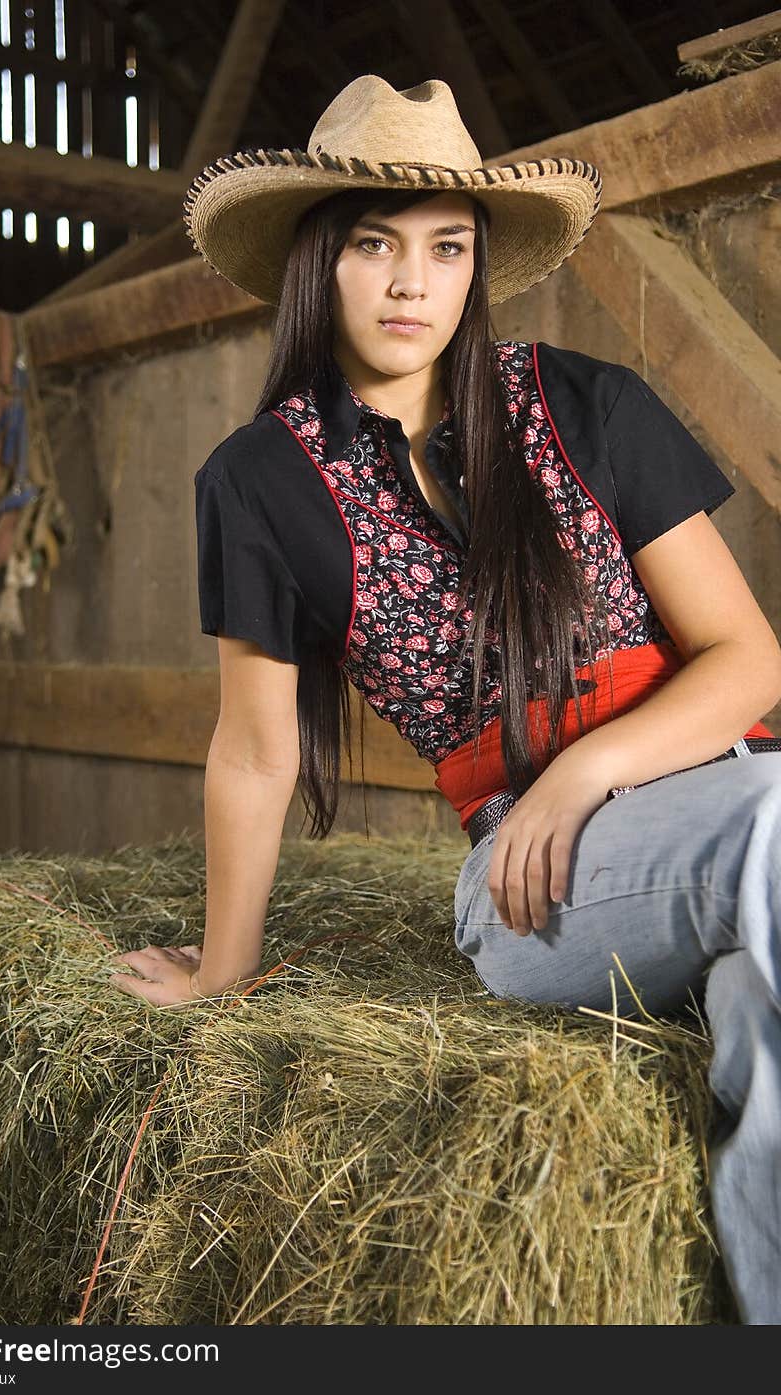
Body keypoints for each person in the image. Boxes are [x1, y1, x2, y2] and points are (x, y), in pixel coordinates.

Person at [109, 76, 781, 1323]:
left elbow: (747, 660)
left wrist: (586, 770)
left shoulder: (589, 405)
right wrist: (225, 973)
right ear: (321, 261)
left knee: (759, 1009)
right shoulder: (257, 483)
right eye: (374, 245)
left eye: (446, 249)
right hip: (538, 885)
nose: (412, 284)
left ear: (478, 267)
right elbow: (256, 756)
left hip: (704, 803)